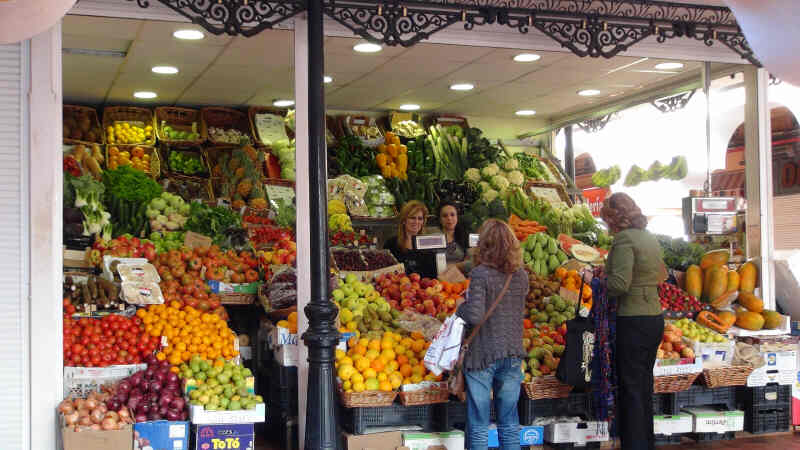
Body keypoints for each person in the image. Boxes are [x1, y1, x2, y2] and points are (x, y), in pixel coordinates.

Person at [456, 219, 529, 450]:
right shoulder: (521, 275)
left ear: (484, 244)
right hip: (512, 353)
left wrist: (460, 306)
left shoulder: (480, 274)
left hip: (482, 356)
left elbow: (475, 315)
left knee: (479, 423)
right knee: (509, 421)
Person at [600, 192, 666, 450]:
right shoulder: (649, 238)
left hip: (634, 319)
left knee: (631, 389)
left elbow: (619, 284)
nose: (607, 225)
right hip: (654, 318)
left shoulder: (624, 239)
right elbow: (659, 274)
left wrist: (595, 279)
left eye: (607, 220)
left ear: (615, 218)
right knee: (643, 387)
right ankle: (645, 443)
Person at [383, 200, 428, 275]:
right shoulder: (391, 244)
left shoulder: (428, 245)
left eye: (420, 218)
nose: (416, 222)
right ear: (404, 220)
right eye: (412, 218)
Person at [437, 202, 471, 272]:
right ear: (440, 219)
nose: (449, 218)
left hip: (462, 280)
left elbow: (472, 263)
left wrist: (454, 267)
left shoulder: (465, 237)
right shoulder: (434, 238)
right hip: (436, 281)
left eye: (452, 215)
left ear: (457, 217)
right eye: (445, 216)